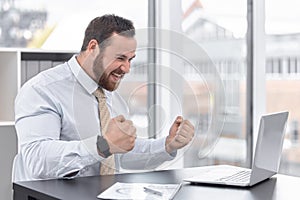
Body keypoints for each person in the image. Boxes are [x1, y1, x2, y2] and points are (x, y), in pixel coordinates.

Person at [13, 14, 195, 182]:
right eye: (120, 58)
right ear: (93, 48)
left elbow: (120, 155)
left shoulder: (112, 97)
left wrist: (167, 145)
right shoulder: (43, 89)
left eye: (130, 60)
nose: (126, 69)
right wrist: (103, 145)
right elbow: (36, 160)